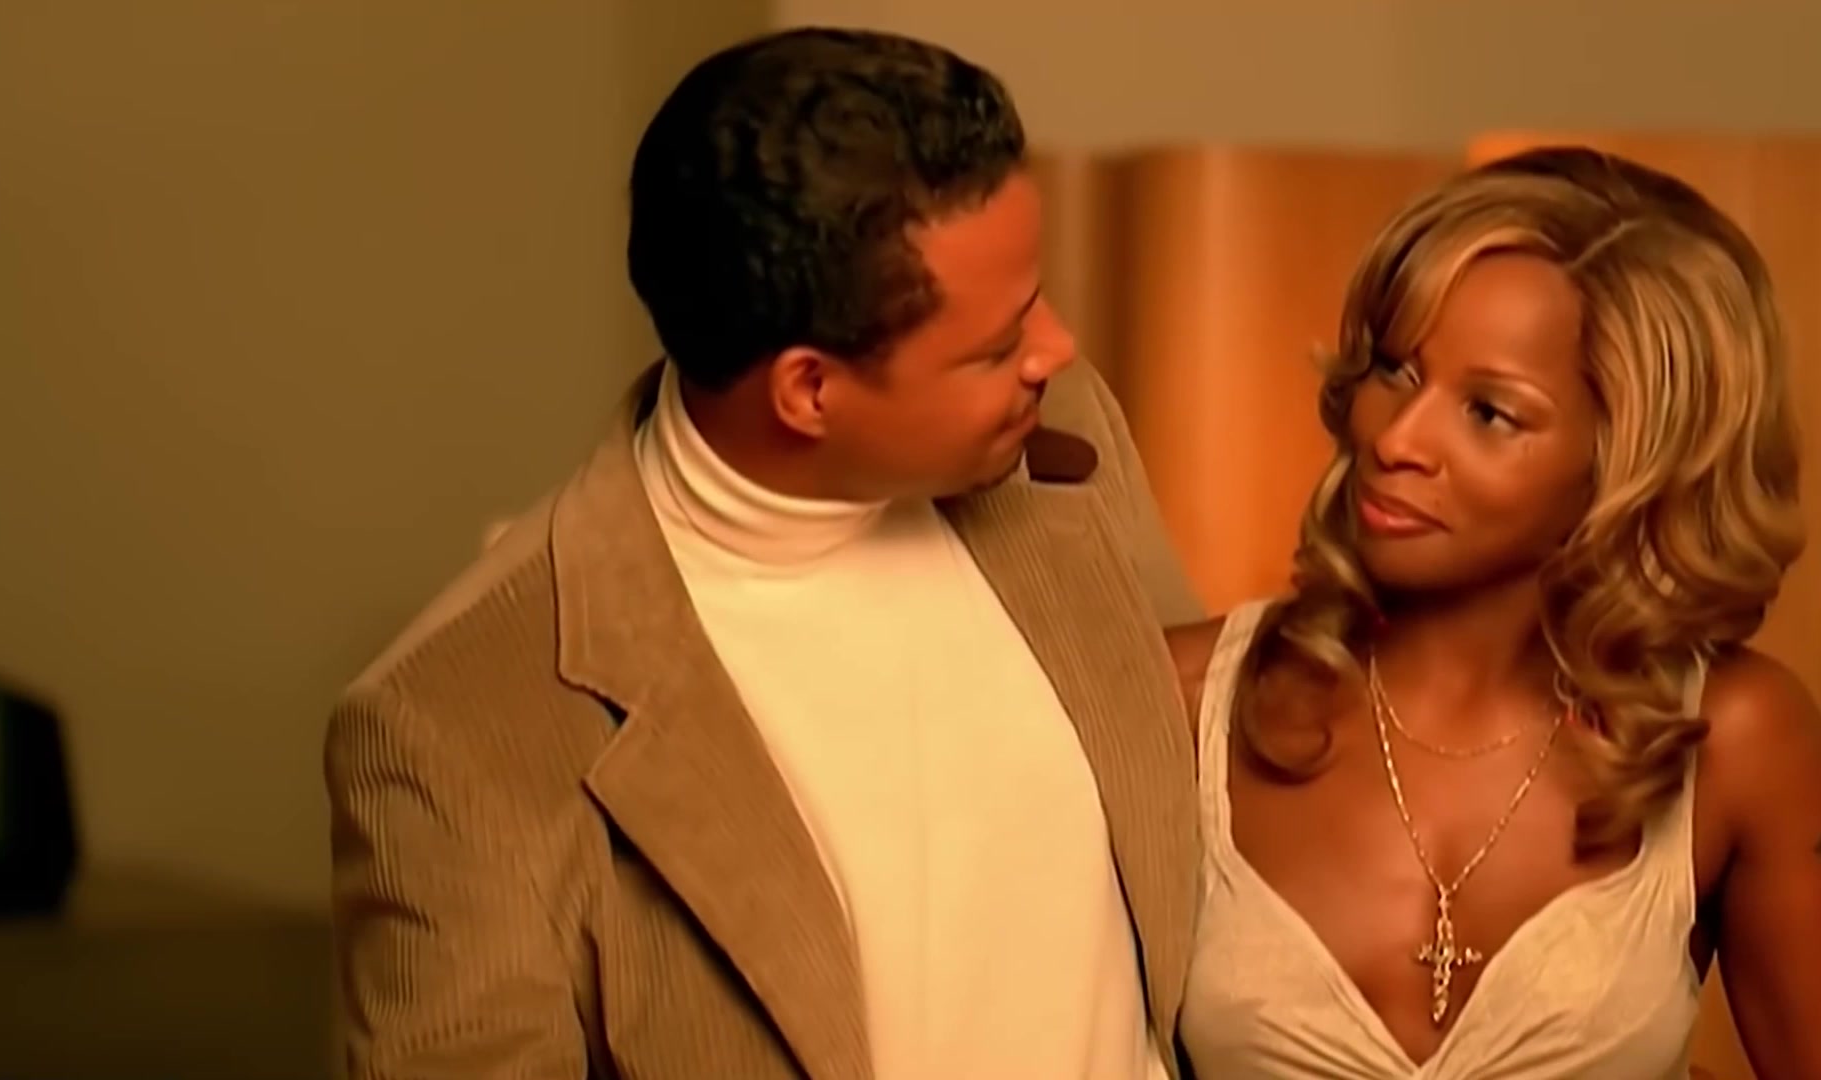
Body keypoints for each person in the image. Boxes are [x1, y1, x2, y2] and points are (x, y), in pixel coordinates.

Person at [325, 26, 1203, 1080]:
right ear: (808, 391)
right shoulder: (454, 726)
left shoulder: (1065, 438)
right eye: (996, 345)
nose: (1056, 350)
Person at [1170, 146, 1821, 1078]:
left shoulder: (1736, 744)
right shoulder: (1183, 699)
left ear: (1627, 460)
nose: (1397, 441)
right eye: (1396, 370)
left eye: (1488, 413)